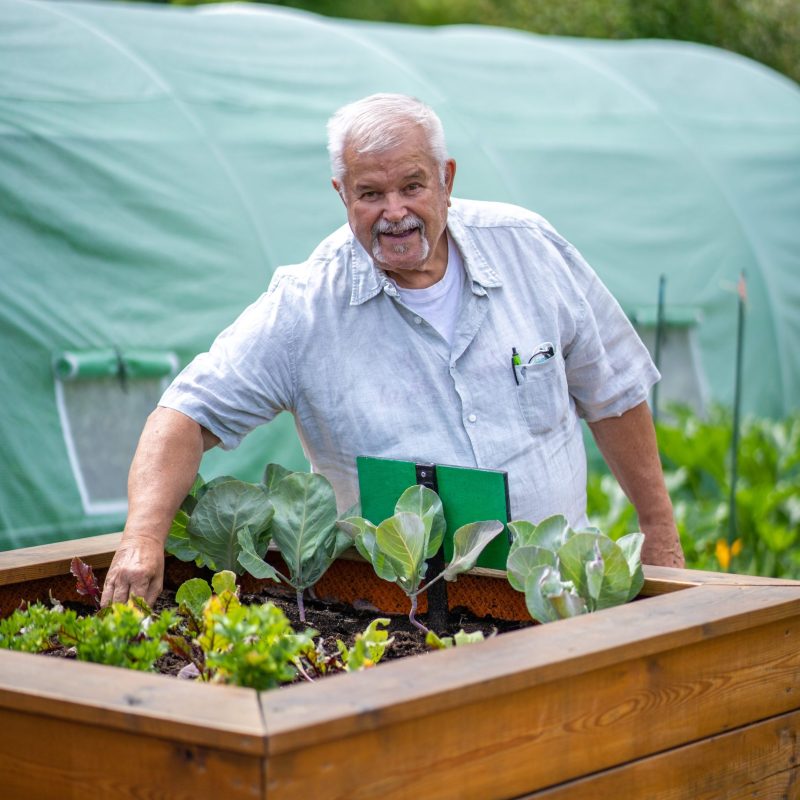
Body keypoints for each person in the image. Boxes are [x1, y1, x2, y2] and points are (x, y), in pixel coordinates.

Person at [101, 93, 684, 606]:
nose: (395, 213)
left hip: (559, 595)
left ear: (446, 179)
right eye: (371, 194)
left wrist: (659, 532)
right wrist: (143, 537)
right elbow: (184, 414)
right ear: (341, 194)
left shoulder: (530, 251)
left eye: (412, 186)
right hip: (394, 619)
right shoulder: (306, 305)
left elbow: (613, 393)